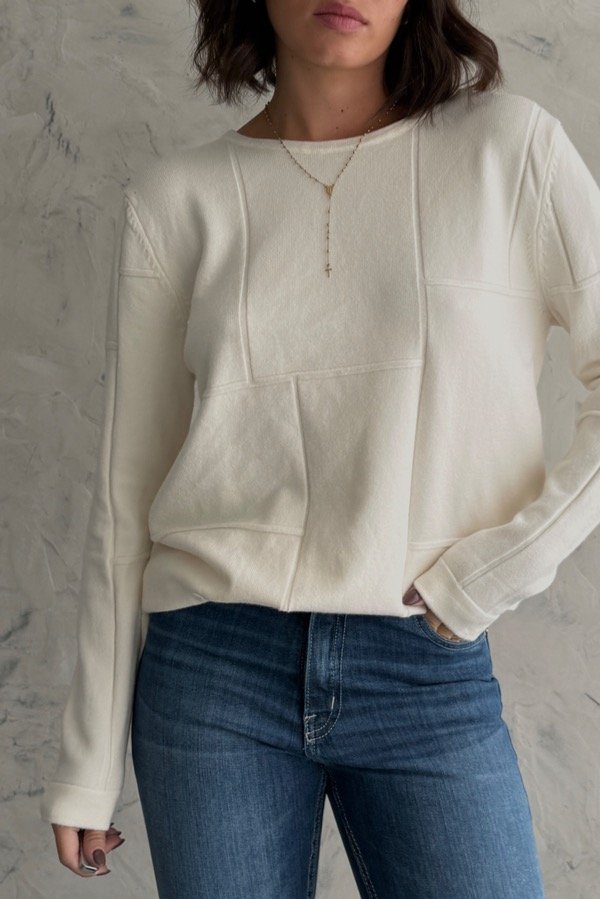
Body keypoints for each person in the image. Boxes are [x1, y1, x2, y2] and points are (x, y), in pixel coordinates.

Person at [40, 0, 600, 895]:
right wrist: (87, 757)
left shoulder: (508, 150)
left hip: (425, 666)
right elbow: (127, 489)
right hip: (212, 673)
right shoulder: (178, 199)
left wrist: (498, 568)